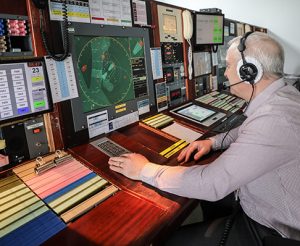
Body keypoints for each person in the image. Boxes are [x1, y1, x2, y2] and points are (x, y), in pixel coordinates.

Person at [108, 32, 300, 245]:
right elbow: (250, 128)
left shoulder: (274, 120)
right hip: (265, 200)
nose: (226, 74)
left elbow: (211, 184)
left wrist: (143, 169)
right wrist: (213, 142)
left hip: (273, 230)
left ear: (249, 72)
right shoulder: (285, 96)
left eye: (228, 66)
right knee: (210, 205)